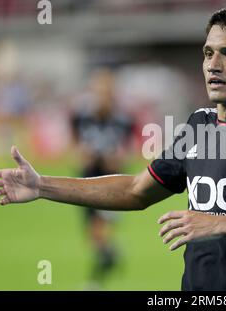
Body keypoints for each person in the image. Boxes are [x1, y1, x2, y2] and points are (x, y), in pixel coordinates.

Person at [0, 6, 226, 290]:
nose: (213, 65)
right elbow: (136, 191)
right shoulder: (200, 125)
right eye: (208, 52)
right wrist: (42, 186)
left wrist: (224, 224)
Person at [70, 68, 133, 287]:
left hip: (111, 178)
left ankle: (97, 278)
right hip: (87, 177)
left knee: (101, 226)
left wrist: (113, 158)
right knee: (92, 233)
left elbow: (126, 150)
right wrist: (83, 155)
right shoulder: (81, 116)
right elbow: (76, 147)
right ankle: (110, 257)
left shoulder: (122, 119)